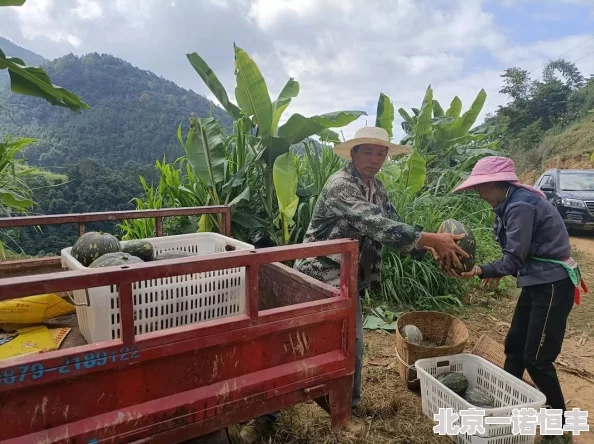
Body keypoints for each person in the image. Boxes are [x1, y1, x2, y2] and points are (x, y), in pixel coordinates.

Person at [239, 126, 470, 444]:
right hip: (315, 279)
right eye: (368, 152)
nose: (375, 159)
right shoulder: (340, 185)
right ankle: (264, 418)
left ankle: (347, 411)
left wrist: (431, 248)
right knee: (291, 346)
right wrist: (431, 238)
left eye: (381, 153)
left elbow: (394, 226)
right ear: (354, 153)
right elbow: (376, 224)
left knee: (353, 347)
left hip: (349, 281)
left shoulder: (379, 188)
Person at [445, 156, 587, 444]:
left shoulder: (520, 205)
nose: (479, 194)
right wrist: (504, 266)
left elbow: (515, 257)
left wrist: (479, 270)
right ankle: (504, 410)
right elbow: (516, 254)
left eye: (480, 188)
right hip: (537, 283)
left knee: (537, 358)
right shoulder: (510, 201)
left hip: (551, 286)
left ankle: (559, 428)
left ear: (494, 184)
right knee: (515, 347)